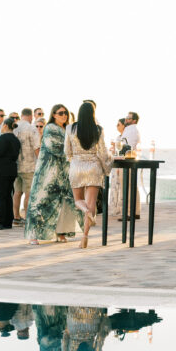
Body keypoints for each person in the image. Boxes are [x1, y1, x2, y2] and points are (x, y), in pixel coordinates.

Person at [25, 104, 84, 245]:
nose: (64, 115)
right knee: (41, 202)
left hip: (64, 172)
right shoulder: (50, 128)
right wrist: (74, 151)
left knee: (63, 203)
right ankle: (34, 235)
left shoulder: (67, 128)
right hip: (48, 172)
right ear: (54, 114)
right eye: (61, 113)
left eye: (66, 113)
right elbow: (55, 147)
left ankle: (61, 232)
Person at [66, 101, 113, 249]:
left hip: (77, 167)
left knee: (78, 200)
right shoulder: (98, 130)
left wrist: (73, 160)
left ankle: (85, 210)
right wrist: (108, 166)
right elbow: (103, 153)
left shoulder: (70, 128)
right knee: (91, 203)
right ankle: (85, 236)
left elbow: (67, 151)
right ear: (93, 114)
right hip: (93, 168)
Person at [0, 117, 21, 230]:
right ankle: (8, 221)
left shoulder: (3, 138)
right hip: (11, 170)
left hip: (1, 170)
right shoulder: (15, 139)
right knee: (8, 196)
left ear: (5, 125)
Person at [13, 108, 40, 224]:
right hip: (29, 166)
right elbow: (36, 147)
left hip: (15, 165)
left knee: (17, 192)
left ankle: (16, 217)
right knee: (28, 192)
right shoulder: (31, 128)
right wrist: (40, 162)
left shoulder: (14, 127)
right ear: (30, 116)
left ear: (21, 115)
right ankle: (27, 217)